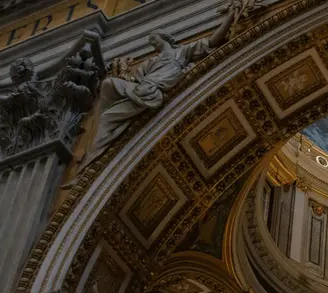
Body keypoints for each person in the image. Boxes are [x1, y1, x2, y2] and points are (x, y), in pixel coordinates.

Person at [63, 1, 239, 188]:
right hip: (141, 89)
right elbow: (134, 80)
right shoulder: (150, 63)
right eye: (151, 42)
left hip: (151, 92)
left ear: (166, 38)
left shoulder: (182, 52)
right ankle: (91, 161)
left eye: (155, 39)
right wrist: (122, 70)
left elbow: (212, 41)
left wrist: (230, 16)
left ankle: (85, 170)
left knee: (107, 118)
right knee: (107, 85)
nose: (153, 43)